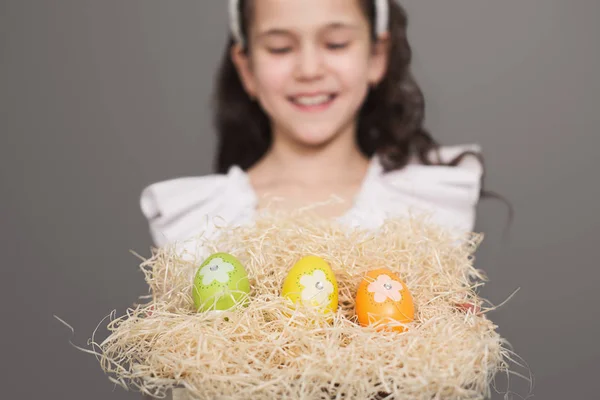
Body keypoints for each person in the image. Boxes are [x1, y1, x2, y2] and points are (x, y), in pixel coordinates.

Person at [140, 0, 486, 256]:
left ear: (377, 56)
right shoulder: (198, 224)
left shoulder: (426, 209)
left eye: (336, 43)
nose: (308, 69)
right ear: (246, 69)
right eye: (280, 48)